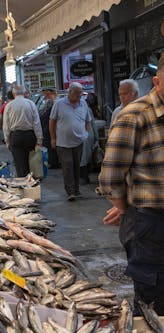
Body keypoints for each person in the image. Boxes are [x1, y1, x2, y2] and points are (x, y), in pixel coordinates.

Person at [98, 54, 164, 314]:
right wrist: (128, 209)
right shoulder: (134, 115)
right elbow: (111, 178)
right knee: (154, 300)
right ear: (157, 82)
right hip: (152, 225)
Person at [49, 82, 91, 201]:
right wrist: (53, 138)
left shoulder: (83, 103)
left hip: (79, 142)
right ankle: (70, 191)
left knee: (77, 166)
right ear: (70, 92)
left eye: (81, 94)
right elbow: (52, 122)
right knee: (68, 167)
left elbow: (88, 121)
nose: (80, 96)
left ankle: (76, 190)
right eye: (77, 93)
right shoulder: (59, 104)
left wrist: (86, 134)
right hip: (63, 142)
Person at [3, 85, 42, 177]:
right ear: (25, 93)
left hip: (15, 136)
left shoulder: (9, 106)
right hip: (30, 136)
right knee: (31, 161)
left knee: (19, 163)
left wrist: (7, 140)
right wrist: (39, 140)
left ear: (13, 93)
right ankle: (32, 182)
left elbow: (6, 126)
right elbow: (36, 123)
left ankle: (23, 183)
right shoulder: (31, 104)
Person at [80, 92, 100, 184]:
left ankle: (83, 177)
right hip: (88, 135)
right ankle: (85, 176)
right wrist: (96, 137)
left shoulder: (85, 110)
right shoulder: (88, 109)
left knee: (83, 157)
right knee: (86, 156)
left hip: (84, 136)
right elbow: (93, 124)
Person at [39, 89, 60, 169]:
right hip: (46, 130)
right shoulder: (48, 109)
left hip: (48, 130)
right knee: (50, 147)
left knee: (50, 148)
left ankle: (53, 162)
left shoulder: (50, 109)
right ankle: (53, 162)